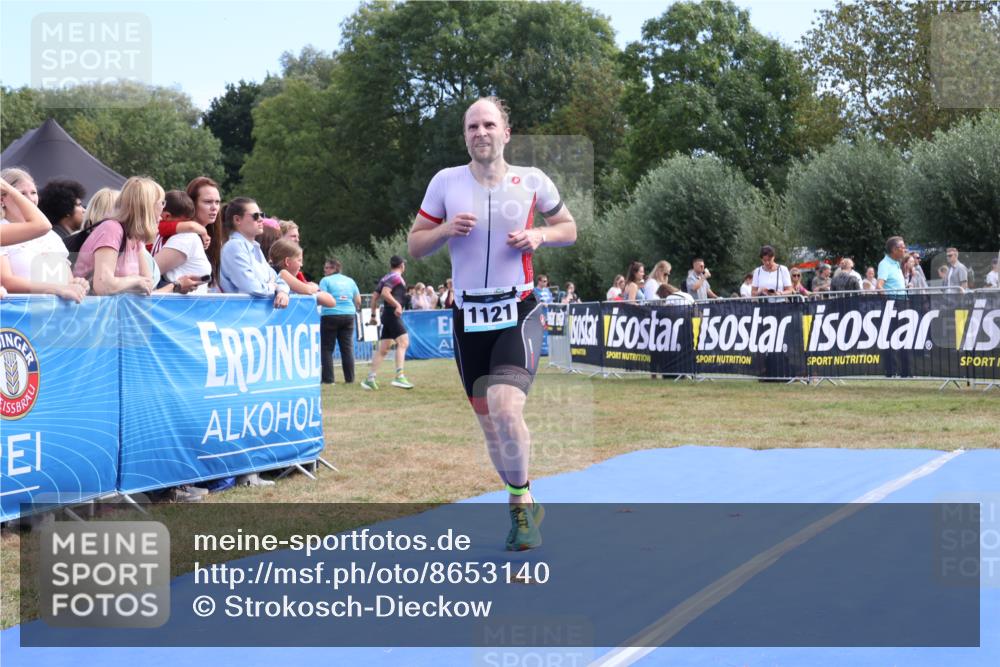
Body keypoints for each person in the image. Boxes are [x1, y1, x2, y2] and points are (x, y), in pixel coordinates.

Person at [407, 96, 576, 551]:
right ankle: (524, 495)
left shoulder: (532, 180)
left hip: (517, 310)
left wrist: (539, 234)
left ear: (506, 132)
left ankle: (519, 506)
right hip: (468, 316)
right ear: (465, 136)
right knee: (489, 425)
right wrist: (445, 230)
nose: (480, 132)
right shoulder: (445, 182)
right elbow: (416, 245)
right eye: (472, 127)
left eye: (488, 124)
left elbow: (569, 228)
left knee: (505, 408)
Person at [73, 177, 203, 296]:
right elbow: (103, 285)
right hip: (92, 311)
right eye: (162, 203)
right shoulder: (112, 229)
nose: (162, 214)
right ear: (147, 207)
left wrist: (173, 285)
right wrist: (135, 281)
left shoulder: (135, 237)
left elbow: (148, 284)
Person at [218, 197, 289, 308]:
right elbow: (252, 287)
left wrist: (282, 292)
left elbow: (277, 278)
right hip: (239, 313)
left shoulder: (255, 247)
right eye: (255, 216)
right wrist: (272, 286)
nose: (261, 219)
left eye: (262, 215)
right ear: (237, 220)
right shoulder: (234, 247)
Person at [362, 255, 414, 390]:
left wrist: (373, 315)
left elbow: (374, 297)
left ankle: (369, 379)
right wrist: (397, 305)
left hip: (387, 314)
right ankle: (399, 377)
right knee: (403, 342)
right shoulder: (396, 277)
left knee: (383, 349)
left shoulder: (385, 277)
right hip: (392, 314)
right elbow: (385, 293)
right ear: (402, 265)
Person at [154, 191, 212, 294]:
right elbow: (191, 226)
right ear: (167, 216)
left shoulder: (180, 234)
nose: (185, 226)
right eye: (183, 222)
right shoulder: (162, 225)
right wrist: (203, 232)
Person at [318, 257, 361, 384]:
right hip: (349, 315)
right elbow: (358, 300)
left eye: (327, 268)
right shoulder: (350, 281)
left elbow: (322, 298)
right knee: (347, 348)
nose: (324, 270)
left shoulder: (325, 280)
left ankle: (328, 380)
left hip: (330, 315)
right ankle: (350, 379)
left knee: (327, 348)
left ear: (334, 268)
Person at [268, 238, 335, 308]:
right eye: (299, 260)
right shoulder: (283, 274)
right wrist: (315, 287)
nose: (301, 265)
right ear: (287, 261)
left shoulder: (273, 273)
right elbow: (308, 290)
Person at [186, 176, 223, 289]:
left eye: (217, 202)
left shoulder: (213, 238)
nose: (214, 207)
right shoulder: (186, 238)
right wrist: (176, 286)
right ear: (192, 203)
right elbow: (155, 272)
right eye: (208, 202)